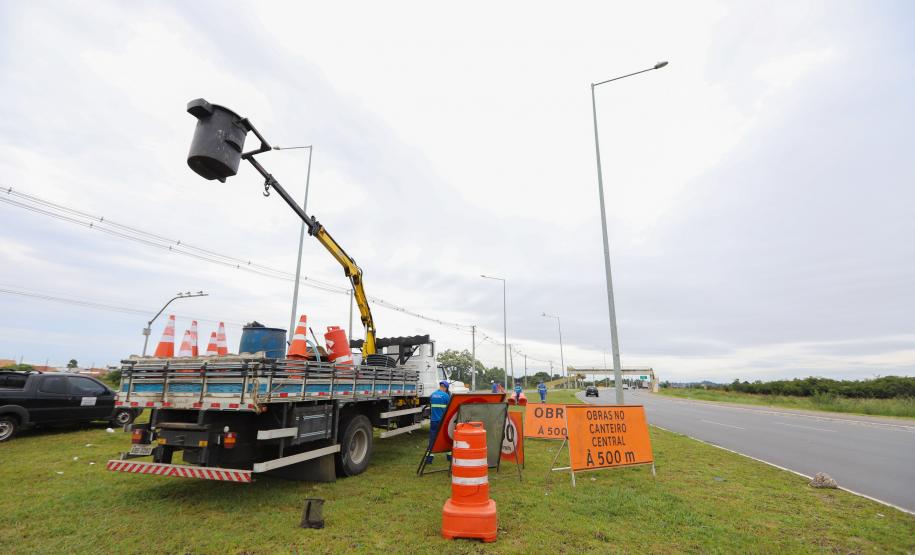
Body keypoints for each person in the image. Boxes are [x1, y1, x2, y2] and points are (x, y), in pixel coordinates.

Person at [426, 380, 451, 464]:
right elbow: (449, 408)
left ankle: (429, 459)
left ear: (440, 386)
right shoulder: (446, 396)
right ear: (446, 388)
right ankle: (449, 456)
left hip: (433, 421)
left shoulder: (433, 395)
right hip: (442, 421)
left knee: (432, 439)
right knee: (446, 438)